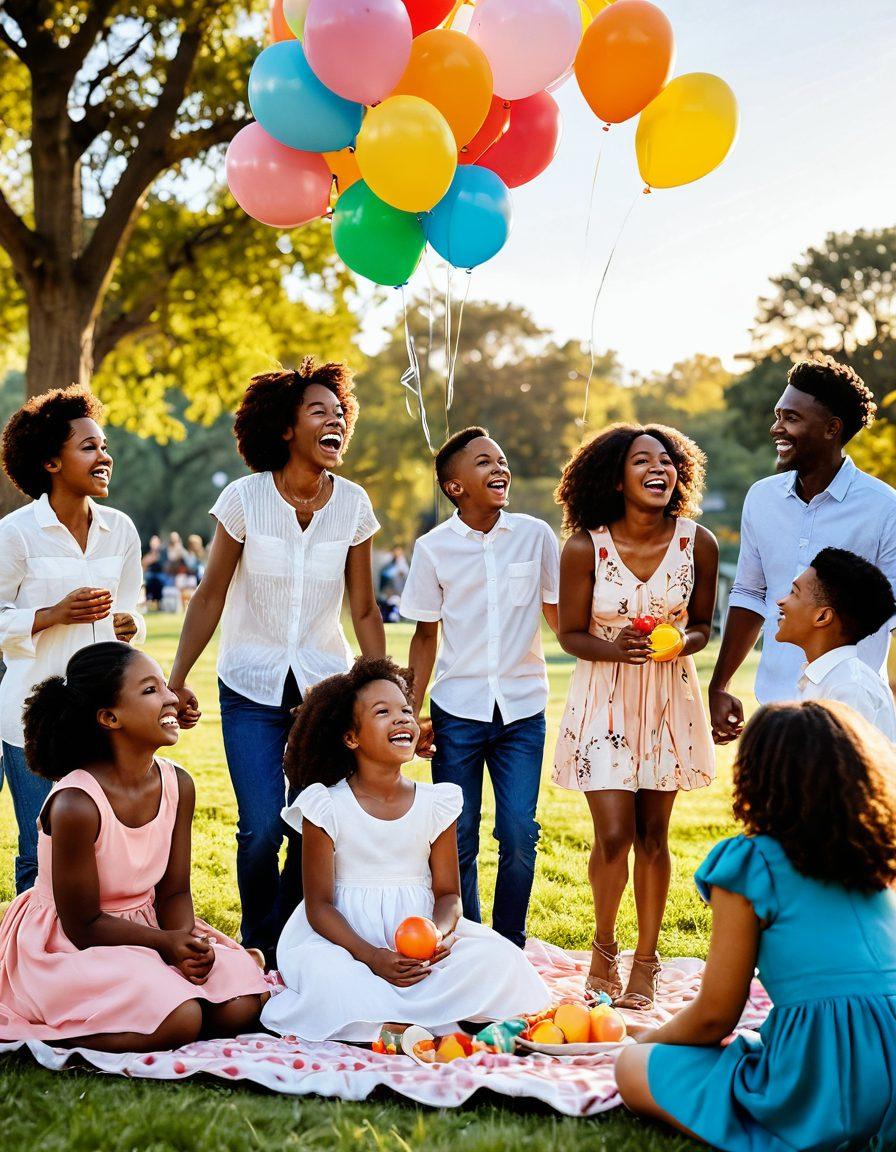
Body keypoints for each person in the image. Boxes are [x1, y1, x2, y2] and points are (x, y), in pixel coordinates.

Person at [168, 359, 385, 967]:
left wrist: (386, 689)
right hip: (249, 685)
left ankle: (295, 943)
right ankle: (258, 943)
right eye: (319, 411)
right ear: (286, 428)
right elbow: (210, 593)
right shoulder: (244, 499)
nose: (334, 419)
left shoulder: (354, 506)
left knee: (308, 824)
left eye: (339, 412)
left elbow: (363, 607)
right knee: (261, 827)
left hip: (324, 688)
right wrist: (177, 676)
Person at [615, 700, 896, 1151]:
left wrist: (644, 1042)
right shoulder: (878, 854)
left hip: (826, 1079)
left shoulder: (753, 862)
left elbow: (713, 1017)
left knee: (632, 1068)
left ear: (756, 775)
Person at [260, 657, 549, 1041]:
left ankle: (391, 1019)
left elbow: (448, 895)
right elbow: (319, 907)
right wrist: (372, 957)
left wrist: (438, 936)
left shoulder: (437, 803)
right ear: (351, 737)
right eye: (383, 712)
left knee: (501, 960)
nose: (402, 720)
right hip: (345, 941)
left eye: (406, 711)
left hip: (418, 938)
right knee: (330, 977)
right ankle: (417, 1017)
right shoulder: (324, 805)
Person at [0, 642, 269, 1053]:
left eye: (165, 686)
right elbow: (83, 924)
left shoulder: (178, 784)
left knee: (240, 1002)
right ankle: (52, 1035)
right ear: (109, 717)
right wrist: (164, 946)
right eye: (150, 690)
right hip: (73, 944)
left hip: (151, 928)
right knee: (181, 1018)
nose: (171, 698)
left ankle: (163, 998)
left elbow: (174, 892)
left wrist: (184, 949)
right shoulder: (76, 803)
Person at [553, 425, 717, 1011]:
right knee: (614, 834)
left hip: (669, 698)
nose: (659, 467)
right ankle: (603, 949)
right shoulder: (583, 549)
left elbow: (704, 625)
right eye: (641, 460)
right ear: (615, 478)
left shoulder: (698, 542)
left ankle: (646, 964)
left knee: (654, 835)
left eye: (667, 459)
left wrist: (682, 642)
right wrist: (613, 647)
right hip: (605, 697)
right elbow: (570, 633)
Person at [400, 428, 560, 949]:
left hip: (523, 711)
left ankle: (509, 942)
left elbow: (561, 617)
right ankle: (468, 943)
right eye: (485, 462)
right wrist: (409, 711)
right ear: (455, 486)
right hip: (457, 711)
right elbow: (425, 636)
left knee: (518, 834)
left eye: (503, 460)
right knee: (459, 836)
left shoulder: (536, 536)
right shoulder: (432, 549)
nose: (500, 469)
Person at [0, 385, 146, 894]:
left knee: (98, 846)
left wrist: (130, 626)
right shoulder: (16, 534)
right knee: (38, 848)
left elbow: (132, 613)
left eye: (104, 446)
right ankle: (31, 960)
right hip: (31, 717)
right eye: (89, 447)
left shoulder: (121, 530)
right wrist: (52, 615)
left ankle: (87, 955)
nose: (104, 456)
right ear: (51, 463)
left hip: (105, 717)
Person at [710, 355, 896, 743]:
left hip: (851, 710)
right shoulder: (761, 498)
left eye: (791, 418)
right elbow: (748, 594)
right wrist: (720, 684)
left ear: (832, 428)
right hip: (775, 708)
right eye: (778, 415)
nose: (777, 428)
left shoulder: (884, 506)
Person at [776, 547, 896, 740]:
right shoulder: (823, 678)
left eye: (794, 593)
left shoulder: (849, 689)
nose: (781, 601)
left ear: (823, 616)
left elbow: (843, 767)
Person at [142, 534, 167, 610]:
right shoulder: (149, 552)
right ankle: (149, 603)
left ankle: (159, 604)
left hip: (160, 573)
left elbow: (163, 564)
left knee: (159, 580)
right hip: (150, 574)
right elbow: (144, 563)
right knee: (149, 580)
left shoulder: (162, 553)